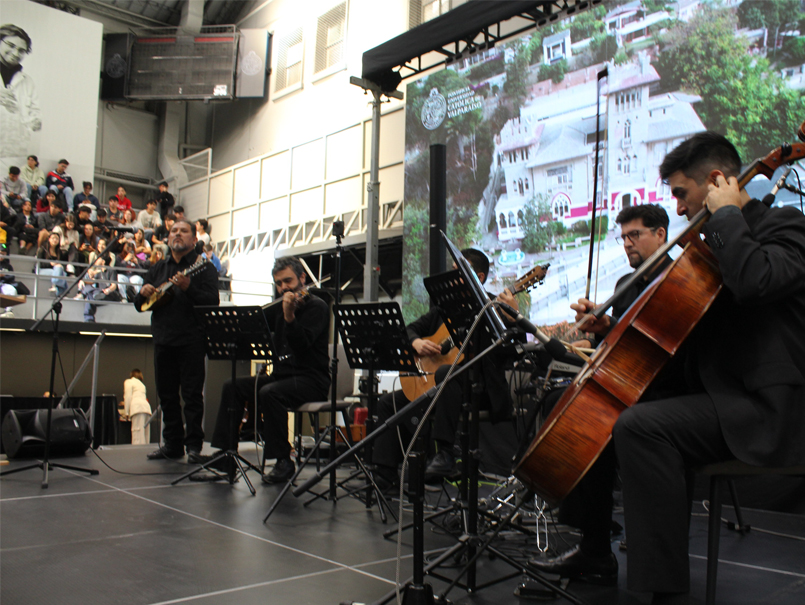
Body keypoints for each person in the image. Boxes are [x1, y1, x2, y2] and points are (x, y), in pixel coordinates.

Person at [533, 132, 805, 605]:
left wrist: (726, 214)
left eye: (682, 193)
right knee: (596, 405)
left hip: (769, 409)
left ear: (718, 181)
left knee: (642, 427)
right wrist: (613, 339)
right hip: (720, 398)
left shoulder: (786, 227)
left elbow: (757, 280)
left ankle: (666, 592)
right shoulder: (711, 250)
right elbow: (683, 349)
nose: (678, 209)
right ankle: (595, 549)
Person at [370, 248, 519, 490]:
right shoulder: (445, 308)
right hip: (443, 389)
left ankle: (446, 454)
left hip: (480, 391)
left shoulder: (495, 306)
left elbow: (513, 348)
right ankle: (384, 476)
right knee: (389, 403)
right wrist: (416, 342)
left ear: (479, 277)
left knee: (443, 373)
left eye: (458, 271)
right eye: (452, 270)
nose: (451, 276)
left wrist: (514, 318)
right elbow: (408, 330)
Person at [195, 256, 330, 484]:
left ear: (302, 278)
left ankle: (284, 461)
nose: (284, 287)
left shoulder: (317, 306)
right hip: (282, 376)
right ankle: (226, 455)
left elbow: (302, 345)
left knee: (270, 392)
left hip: (311, 379)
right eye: (279, 283)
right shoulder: (278, 307)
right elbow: (252, 327)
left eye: (288, 281)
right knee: (233, 386)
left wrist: (289, 317)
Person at [134, 219, 219, 460]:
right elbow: (141, 306)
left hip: (192, 340)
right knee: (167, 396)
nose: (177, 234)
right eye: (173, 231)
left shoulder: (205, 268)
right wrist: (142, 294)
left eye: (183, 231)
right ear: (168, 238)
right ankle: (172, 444)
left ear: (194, 239)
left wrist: (189, 287)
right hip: (163, 340)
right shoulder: (158, 269)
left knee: (192, 396)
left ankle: (193, 447)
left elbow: (213, 301)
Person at [0, 25, 41, 163]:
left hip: (12, 152)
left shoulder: (28, 82)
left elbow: (35, 116)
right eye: (10, 45)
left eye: (21, 50)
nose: (15, 52)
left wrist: (34, 122)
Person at [123, 369, 152, 445]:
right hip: (147, 409)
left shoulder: (129, 382)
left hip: (137, 409)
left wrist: (126, 412)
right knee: (145, 435)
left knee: (137, 433)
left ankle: (137, 453)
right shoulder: (142, 385)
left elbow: (128, 397)